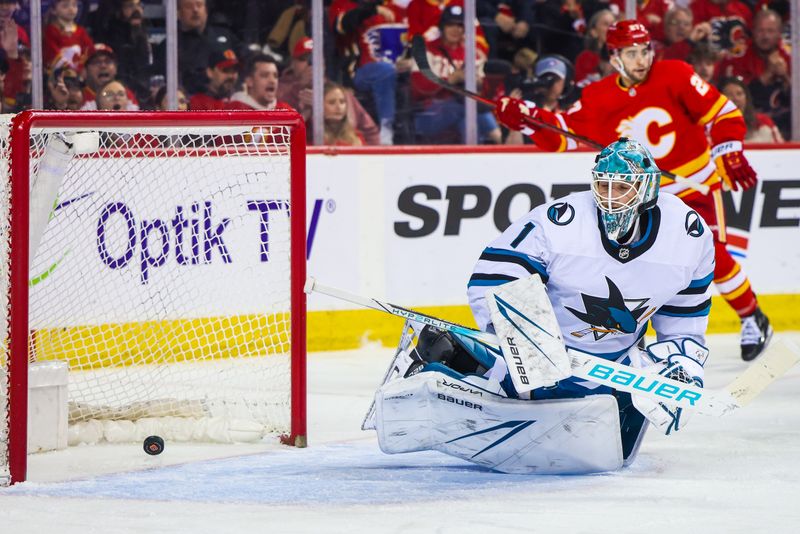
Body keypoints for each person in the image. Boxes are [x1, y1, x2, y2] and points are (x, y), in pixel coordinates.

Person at [368, 138, 714, 473]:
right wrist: (531, 345)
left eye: (622, 188)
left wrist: (679, 368)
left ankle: (467, 356)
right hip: (549, 351)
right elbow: (494, 274)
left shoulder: (686, 235)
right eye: (603, 186)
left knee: (617, 452)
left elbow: (684, 316)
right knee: (531, 396)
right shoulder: (561, 221)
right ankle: (442, 360)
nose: (610, 198)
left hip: (615, 362)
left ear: (648, 190)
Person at [493, 20, 772, 362]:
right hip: (639, 198)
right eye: (631, 53)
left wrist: (728, 148)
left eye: (645, 51)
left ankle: (751, 315)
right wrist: (527, 118)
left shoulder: (676, 74)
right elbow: (564, 133)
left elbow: (723, 112)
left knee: (712, 256)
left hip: (693, 185)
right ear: (614, 57)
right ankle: (635, 338)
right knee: (638, 263)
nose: (641, 60)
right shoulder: (599, 95)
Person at [411, 4, 501, 144]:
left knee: (467, 117)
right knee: (466, 106)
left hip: (462, 110)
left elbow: (484, 93)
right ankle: (500, 138)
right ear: (442, 27)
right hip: (428, 114)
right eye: (450, 25)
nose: (455, 30)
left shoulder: (473, 54)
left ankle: (475, 155)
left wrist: (477, 83)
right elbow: (418, 89)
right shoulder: (426, 50)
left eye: (460, 25)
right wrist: (450, 80)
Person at [277, 37, 380, 145]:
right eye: (303, 59)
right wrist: (300, 89)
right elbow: (278, 137)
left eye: (316, 60)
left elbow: (371, 132)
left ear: (324, 65)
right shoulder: (279, 92)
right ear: (293, 63)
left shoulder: (341, 93)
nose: (311, 66)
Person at [153, 0, 242, 96]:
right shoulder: (170, 47)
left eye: (199, 5)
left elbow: (246, 61)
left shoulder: (225, 35)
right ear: (178, 13)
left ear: (206, 10)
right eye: (188, 6)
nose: (195, 10)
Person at [718, 77, 784, 143]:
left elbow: (781, 148)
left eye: (739, 93)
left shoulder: (763, 122)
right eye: (729, 94)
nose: (736, 98)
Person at [80, 44, 139, 110]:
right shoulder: (79, 97)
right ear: (85, 70)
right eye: (96, 62)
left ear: (116, 68)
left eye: (108, 61)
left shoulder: (126, 94)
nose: (103, 66)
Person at [227, 53, 292, 111]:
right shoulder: (234, 110)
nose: (272, 81)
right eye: (265, 75)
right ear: (249, 81)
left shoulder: (285, 110)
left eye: (275, 76)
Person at [43, 0, 94, 70]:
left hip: (81, 73)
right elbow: (52, 55)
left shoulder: (81, 31)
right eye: (65, 6)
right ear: (53, 10)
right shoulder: (50, 31)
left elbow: (90, 51)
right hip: (58, 74)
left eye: (74, 5)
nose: (71, 9)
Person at [322, 81, 364, 146]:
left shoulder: (356, 136)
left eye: (342, 102)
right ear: (320, 106)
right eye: (332, 102)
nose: (338, 107)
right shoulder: (312, 135)